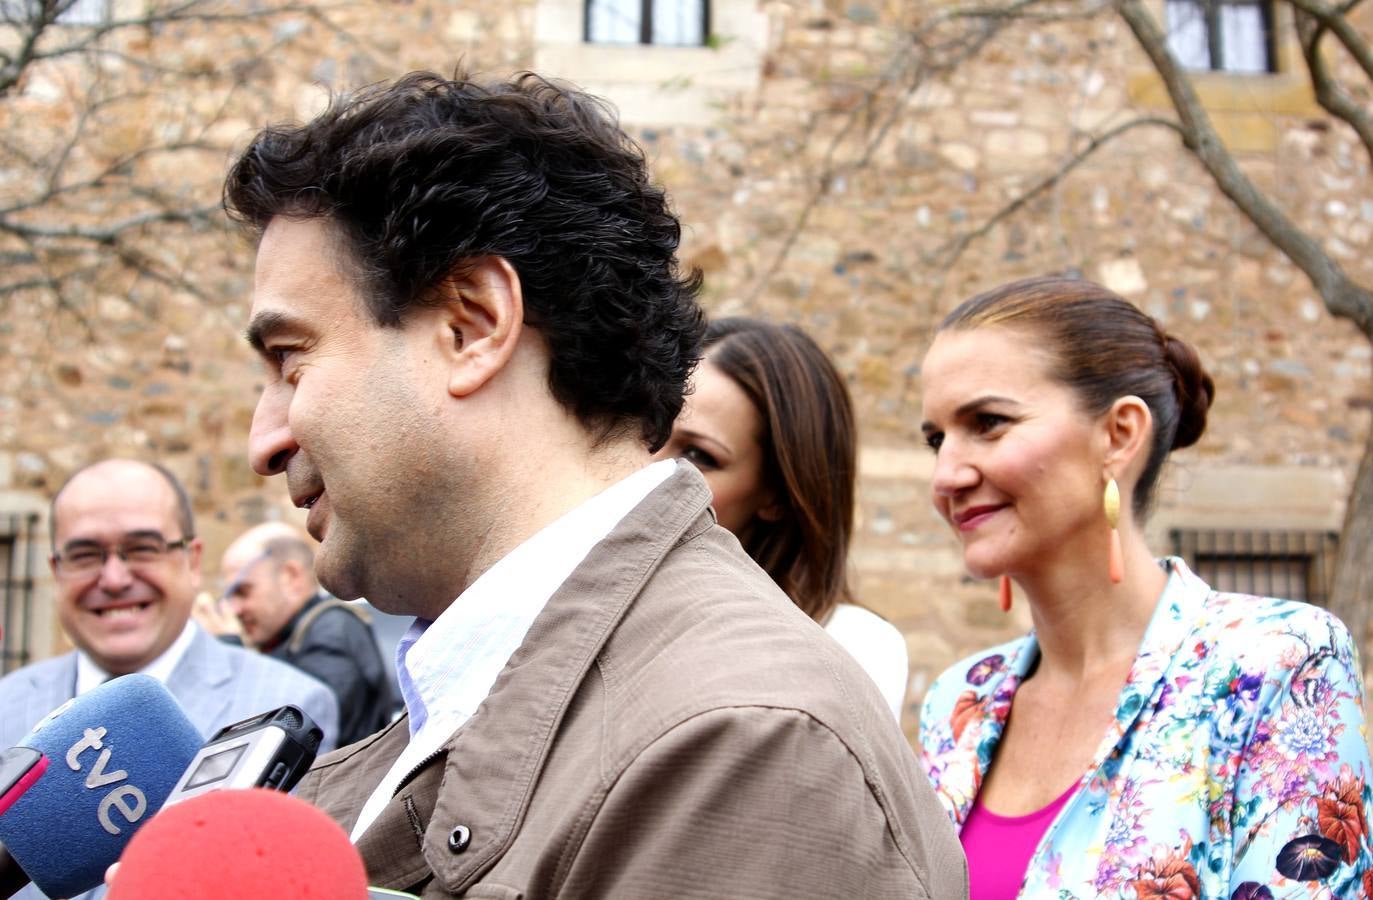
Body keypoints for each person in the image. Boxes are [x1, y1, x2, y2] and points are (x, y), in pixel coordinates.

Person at [199, 70, 965, 897]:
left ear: (473, 326)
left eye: (290, 359)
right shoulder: (485, 711)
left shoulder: (738, 743)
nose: (263, 442)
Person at [917, 276, 1373, 898]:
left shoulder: (1276, 663)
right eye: (936, 438)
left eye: (989, 423)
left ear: (1120, 434)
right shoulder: (959, 703)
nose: (947, 474)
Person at [0, 459, 341, 900]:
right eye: (85, 554)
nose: (115, 578)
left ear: (192, 560)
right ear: (56, 569)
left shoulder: (291, 700)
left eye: (143, 549)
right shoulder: (6, 700)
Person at [653, 317, 909, 718]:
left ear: (777, 496)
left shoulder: (848, 644)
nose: (646, 468)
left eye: (698, 455)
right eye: (646, 432)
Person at [220, 522, 397, 746]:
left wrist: (230, 650)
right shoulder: (301, 633)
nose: (234, 609)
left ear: (290, 577)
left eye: (243, 592)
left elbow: (285, 739)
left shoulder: (330, 633)